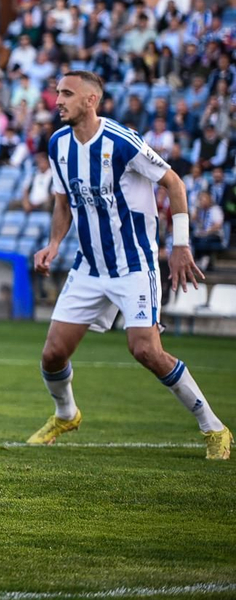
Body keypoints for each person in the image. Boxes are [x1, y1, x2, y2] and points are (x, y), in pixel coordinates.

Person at [30, 70, 230, 460]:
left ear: (91, 100)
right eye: (56, 93)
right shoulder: (58, 145)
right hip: (89, 267)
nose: (57, 101)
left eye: (67, 94)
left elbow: (174, 183)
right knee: (52, 354)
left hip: (134, 265)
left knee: (146, 351)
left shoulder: (122, 142)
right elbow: (62, 201)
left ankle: (214, 427)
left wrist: (180, 245)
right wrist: (54, 243)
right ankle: (66, 415)